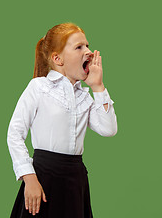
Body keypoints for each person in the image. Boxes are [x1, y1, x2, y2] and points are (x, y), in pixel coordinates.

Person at [7, 22, 118, 217]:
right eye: (79, 47)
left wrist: (98, 87)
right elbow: (14, 134)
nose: (89, 52)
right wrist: (29, 178)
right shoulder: (39, 88)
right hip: (42, 178)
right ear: (57, 58)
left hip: (75, 179)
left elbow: (108, 129)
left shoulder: (85, 96)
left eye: (87, 45)